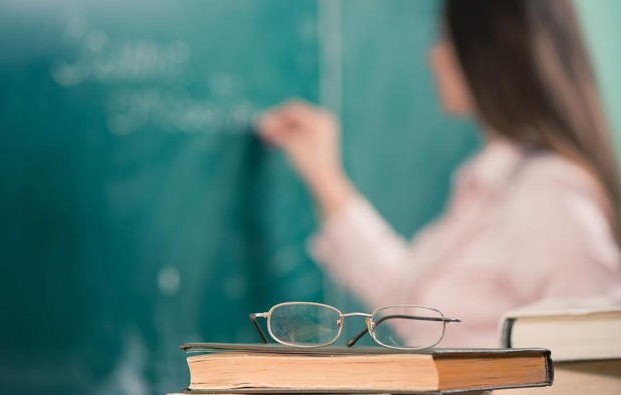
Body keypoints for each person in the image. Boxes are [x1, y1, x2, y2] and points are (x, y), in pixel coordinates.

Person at [257, 0, 621, 347]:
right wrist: (324, 176)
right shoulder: (494, 183)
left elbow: (591, 358)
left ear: (487, 52)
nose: (432, 55)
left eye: (444, 38)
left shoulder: (551, 197)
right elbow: (411, 304)